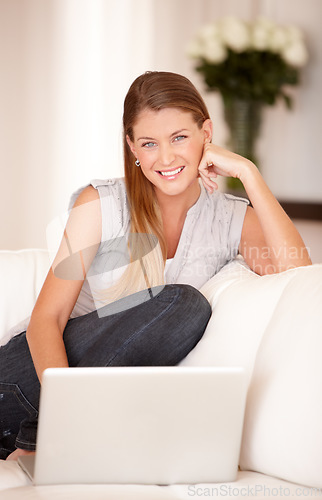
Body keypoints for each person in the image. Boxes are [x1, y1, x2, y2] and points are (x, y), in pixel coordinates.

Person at [0, 71, 311, 461]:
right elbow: (47, 318)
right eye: (149, 143)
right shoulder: (101, 204)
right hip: (22, 386)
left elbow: (299, 277)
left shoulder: (232, 218)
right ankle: (46, 437)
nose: (165, 158)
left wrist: (249, 174)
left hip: (88, 415)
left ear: (207, 133)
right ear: (132, 146)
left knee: (183, 307)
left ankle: (57, 441)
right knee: (184, 304)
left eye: (179, 137)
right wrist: (61, 416)